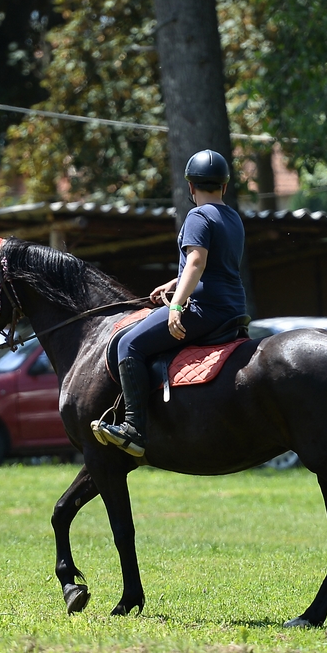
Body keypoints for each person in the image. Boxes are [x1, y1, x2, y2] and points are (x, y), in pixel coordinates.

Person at [93, 149, 247, 457]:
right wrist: (174, 284)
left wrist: (176, 304)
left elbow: (197, 261)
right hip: (234, 308)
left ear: (191, 187)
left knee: (128, 345)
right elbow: (218, 265)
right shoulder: (232, 217)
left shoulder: (197, 215)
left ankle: (134, 429)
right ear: (224, 186)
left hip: (205, 310)